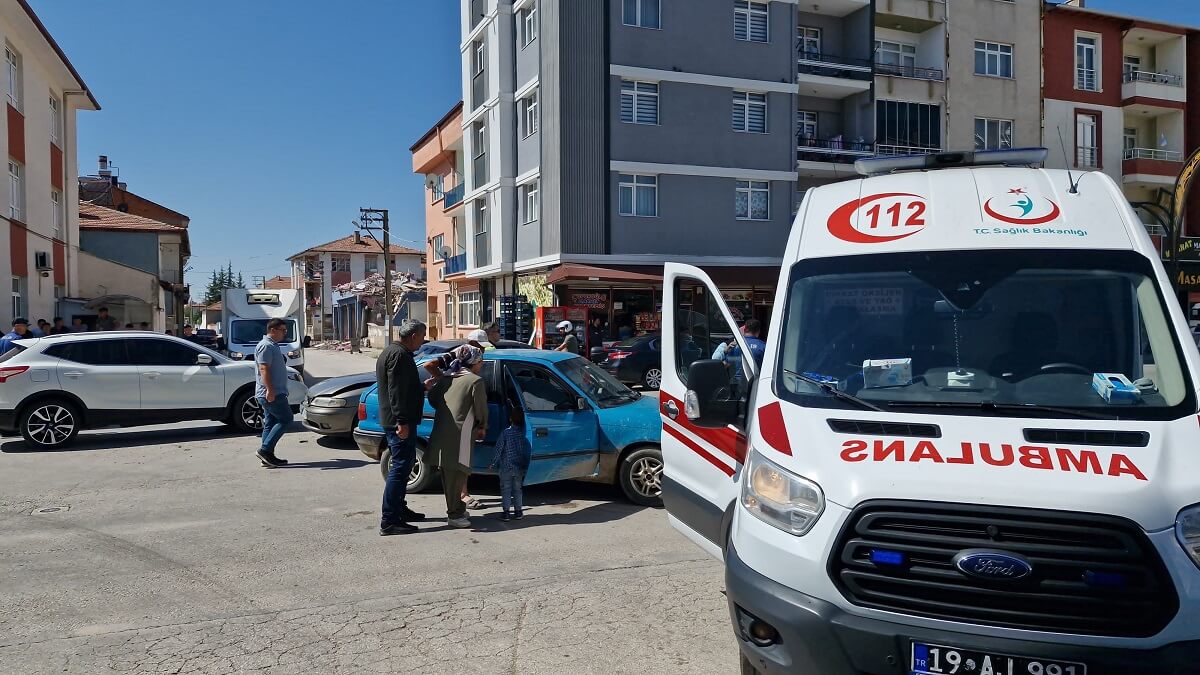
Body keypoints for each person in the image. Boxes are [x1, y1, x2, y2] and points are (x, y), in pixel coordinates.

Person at [376, 319, 428, 536]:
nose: (423, 340)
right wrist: (401, 422)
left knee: (405, 467)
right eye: (422, 336)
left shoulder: (395, 352)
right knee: (399, 469)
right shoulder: (398, 355)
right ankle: (389, 520)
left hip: (400, 419)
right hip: (399, 421)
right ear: (414, 335)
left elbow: (402, 387)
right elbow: (395, 391)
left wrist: (421, 387)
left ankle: (399, 508)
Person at [427, 344, 487, 529]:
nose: (482, 364)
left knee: (449, 474)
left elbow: (433, 399)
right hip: (460, 435)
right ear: (474, 362)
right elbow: (481, 410)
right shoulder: (475, 381)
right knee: (457, 475)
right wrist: (483, 427)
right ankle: (454, 514)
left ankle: (457, 508)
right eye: (480, 361)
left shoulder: (447, 377)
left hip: (442, 433)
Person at [255, 318, 293, 468]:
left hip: (274, 391)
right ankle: (265, 450)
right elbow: (264, 368)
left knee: (270, 423)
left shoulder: (272, 345)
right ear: (273, 330)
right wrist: (270, 390)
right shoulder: (266, 346)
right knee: (286, 419)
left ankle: (267, 456)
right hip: (272, 393)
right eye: (283, 330)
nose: (284, 333)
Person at [490, 406, 531, 521]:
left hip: (506, 467)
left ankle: (506, 512)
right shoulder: (523, 436)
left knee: (506, 489)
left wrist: (492, 463)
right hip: (518, 468)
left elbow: (498, 449)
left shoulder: (505, 433)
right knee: (518, 490)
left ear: (510, 419)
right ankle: (518, 512)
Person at [712, 319, 767, 388]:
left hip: (736, 385)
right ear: (758, 331)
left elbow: (726, 364)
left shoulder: (734, 345)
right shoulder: (763, 347)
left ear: (745, 329)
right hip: (756, 385)